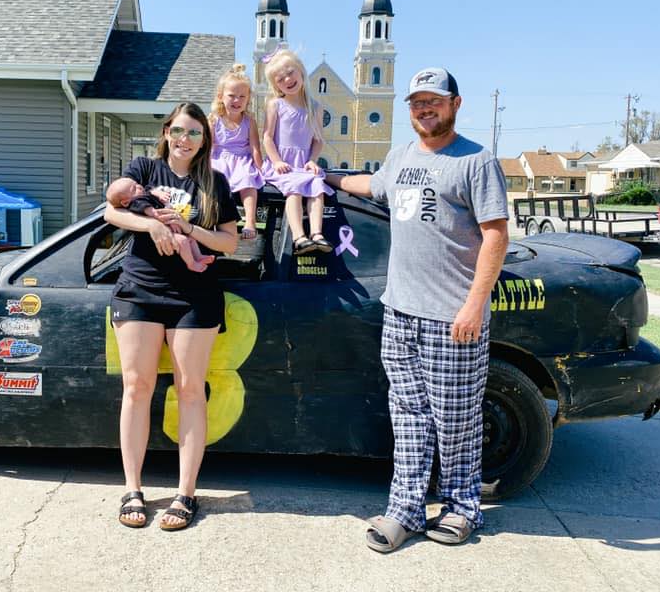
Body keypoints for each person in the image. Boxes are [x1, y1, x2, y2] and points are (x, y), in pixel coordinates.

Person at [326, 67, 509, 552]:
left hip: (453, 318)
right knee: (407, 415)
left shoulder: (476, 161)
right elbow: (373, 186)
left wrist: (474, 305)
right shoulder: (400, 156)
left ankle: (462, 507)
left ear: (454, 103)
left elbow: (495, 235)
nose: (423, 109)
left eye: (433, 101)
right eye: (416, 103)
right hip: (400, 312)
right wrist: (324, 177)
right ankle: (404, 510)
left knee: (457, 418)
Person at [104, 102, 239, 531]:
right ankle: (133, 489)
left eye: (194, 133)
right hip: (139, 289)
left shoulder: (214, 183)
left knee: (190, 390)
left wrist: (187, 230)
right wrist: (154, 227)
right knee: (137, 386)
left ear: (205, 140)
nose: (185, 140)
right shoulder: (143, 168)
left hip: (193, 297)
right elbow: (111, 211)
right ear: (166, 132)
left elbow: (230, 244)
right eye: (179, 131)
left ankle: (185, 494)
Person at [260, 49, 334, 253]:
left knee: (317, 185)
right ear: (276, 85)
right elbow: (267, 137)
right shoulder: (276, 105)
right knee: (294, 188)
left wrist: (312, 160)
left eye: (290, 72)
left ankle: (317, 234)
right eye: (280, 78)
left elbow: (318, 139)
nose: (287, 79)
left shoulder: (315, 108)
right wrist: (276, 161)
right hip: (282, 166)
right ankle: (299, 237)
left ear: (301, 71)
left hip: (303, 164)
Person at [106, 178, 215, 273]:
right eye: (134, 189)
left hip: (168, 229)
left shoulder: (143, 194)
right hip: (160, 237)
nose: (139, 186)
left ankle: (199, 257)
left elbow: (150, 189)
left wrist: (158, 193)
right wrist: (159, 215)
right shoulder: (136, 203)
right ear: (125, 202)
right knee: (183, 241)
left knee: (191, 239)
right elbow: (152, 212)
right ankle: (191, 263)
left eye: (136, 183)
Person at [209, 63, 264, 239]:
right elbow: (208, 146)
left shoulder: (249, 121)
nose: (237, 100)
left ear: (248, 99)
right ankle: (216, 222)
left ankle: (250, 221)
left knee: (248, 180)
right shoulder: (215, 119)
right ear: (221, 96)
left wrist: (261, 168)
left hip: (242, 159)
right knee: (216, 181)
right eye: (232, 96)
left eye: (242, 96)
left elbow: (255, 147)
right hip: (219, 158)